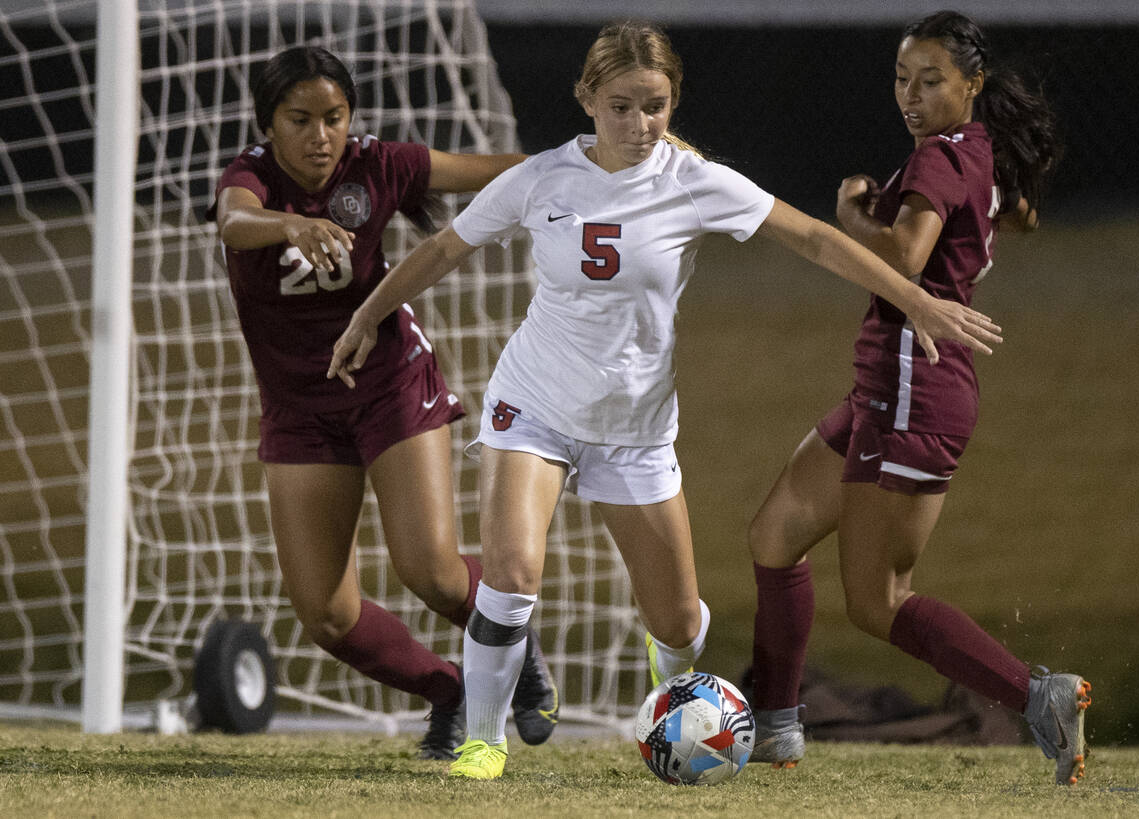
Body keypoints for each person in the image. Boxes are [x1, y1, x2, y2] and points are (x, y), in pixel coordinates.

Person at [327, 21, 1000, 781]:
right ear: (586, 98)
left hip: (633, 431)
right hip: (536, 403)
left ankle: (672, 681)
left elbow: (811, 238)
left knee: (679, 621)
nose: (640, 125)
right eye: (621, 107)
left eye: (656, 106)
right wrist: (366, 315)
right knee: (512, 570)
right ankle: (483, 740)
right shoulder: (541, 177)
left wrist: (915, 298)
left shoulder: (693, 182)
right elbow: (444, 249)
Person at [745, 10, 1091, 785]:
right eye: (902, 79)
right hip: (892, 385)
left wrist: (850, 217)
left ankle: (1039, 697)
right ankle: (774, 728)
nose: (911, 94)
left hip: (913, 385)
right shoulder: (976, 150)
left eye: (930, 80)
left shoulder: (940, 157)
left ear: (972, 84)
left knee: (878, 600)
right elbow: (1018, 213)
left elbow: (904, 254)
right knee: (773, 535)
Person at [206, 44, 559, 760]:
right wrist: (291, 224)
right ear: (268, 123)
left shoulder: (378, 166)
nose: (320, 135)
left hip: (388, 382)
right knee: (327, 614)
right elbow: (234, 221)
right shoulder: (250, 180)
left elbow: (499, 173)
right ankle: (450, 689)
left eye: (334, 117)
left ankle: (517, 641)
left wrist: (585, 163)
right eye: (299, 119)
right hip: (301, 412)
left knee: (427, 567)